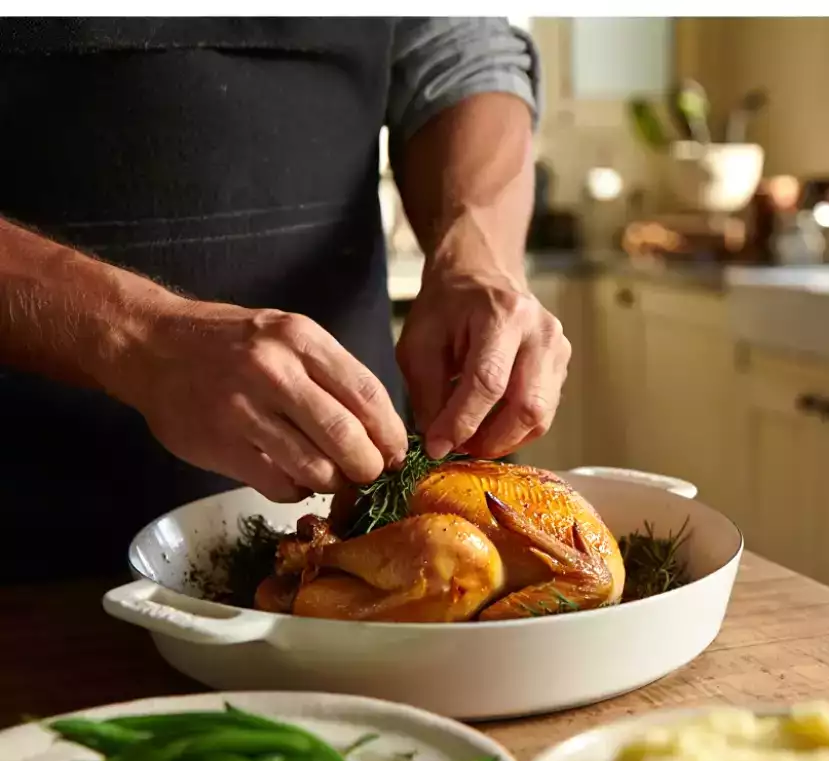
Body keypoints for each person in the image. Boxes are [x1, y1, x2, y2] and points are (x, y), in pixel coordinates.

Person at [0, 17, 570, 582]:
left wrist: (476, 257)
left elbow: (459, 47)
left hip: (356, 539)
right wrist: (136, 335)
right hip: (27, 543)